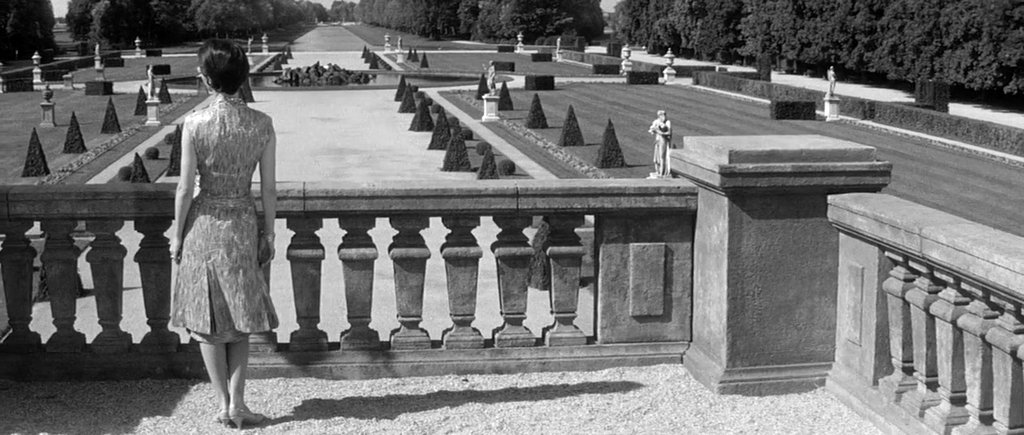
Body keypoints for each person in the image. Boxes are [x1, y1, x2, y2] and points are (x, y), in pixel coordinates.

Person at [170, 39, 278, 430]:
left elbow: (185, 189)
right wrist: (269, 233)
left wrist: (177, 234)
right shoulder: (261, 124)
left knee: (208, 318)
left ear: (205, 78)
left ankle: (222, 404)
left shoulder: (194, 123)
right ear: (243, 76)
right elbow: (269, 189)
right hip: (243, 224)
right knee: (241, 314)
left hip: (203, 224)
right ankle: (239, 403)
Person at [648, 110, 673, 178]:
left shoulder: (668, 122)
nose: (662, 117)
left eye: (662, 115)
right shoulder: (657, 121)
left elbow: (669, 133)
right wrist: (653, 130)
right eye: (660, 115)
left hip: (663, 141)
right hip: (658, 140)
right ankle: (658, 171)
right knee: (656, 157)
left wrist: (658, 131)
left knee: (662, 156)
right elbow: (652, 129)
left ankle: (662, 172)